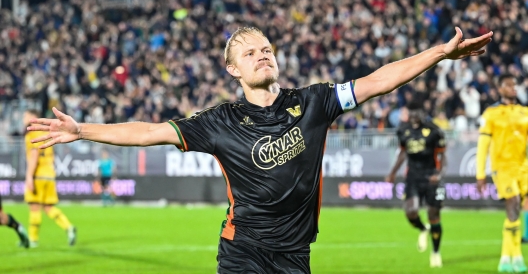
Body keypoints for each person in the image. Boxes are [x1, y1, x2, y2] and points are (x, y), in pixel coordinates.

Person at [27, 26, 491, 272]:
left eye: (266, 48)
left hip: (296, 256)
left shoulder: (314, 102)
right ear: (232, 69)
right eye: (249, 52)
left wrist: (438, 54)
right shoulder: (219, 121)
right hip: (242, 251)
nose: (262, 54)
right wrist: (83, 130)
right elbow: (149, 131)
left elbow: (379, 80)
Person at [477, 74, 528, 273]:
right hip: (503, 167)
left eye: (514, 85)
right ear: (500, 89)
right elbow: (482, 145)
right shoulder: (491, 114)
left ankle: (505, 258)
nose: (513, 88)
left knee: (516, 210)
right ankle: (517, 256)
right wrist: (480, 174)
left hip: (523, 168)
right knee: (513, 202)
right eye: (508, 85)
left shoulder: (524, 112)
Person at [385, 100, 446, 268]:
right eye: (411, 111)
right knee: (410, 212)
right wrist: (392, 173)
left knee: (434, 214)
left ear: (422, 112)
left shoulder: (434, 131)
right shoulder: (403, 131)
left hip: (432, 177)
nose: (413, 115)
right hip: (412, 176)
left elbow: (442, 157)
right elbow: (402, 154)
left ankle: (435, 252)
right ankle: (422, 228)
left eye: (417, 111)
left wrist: (439, 174)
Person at [23, 110, 77, 248]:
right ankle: (68, 227)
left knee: (34, 207)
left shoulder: (32, 134)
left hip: (38, 175)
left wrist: (29, 176)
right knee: (48, 208)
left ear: (33, 118)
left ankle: (33, 239)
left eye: (26, 115)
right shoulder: (46, 134)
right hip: (49, 176)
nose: (24, 118)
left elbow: (34, 155)